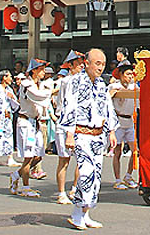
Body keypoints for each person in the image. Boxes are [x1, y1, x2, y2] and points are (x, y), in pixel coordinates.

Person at [60, 48, 118, 230]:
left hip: (98, 135)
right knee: (85, 174)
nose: (100, 68)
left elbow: (107, 108)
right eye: (97, 63)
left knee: (96, 176)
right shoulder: (74, 82)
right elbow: (69, 107)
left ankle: (86, 212)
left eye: (102, 63)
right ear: (87, 63)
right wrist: (69, 133)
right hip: (81, 133)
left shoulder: (101, 85)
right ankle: (76, 212)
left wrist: (111, 131)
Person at [9, 58, 51, 197]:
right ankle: (26, 187)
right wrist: (52, 90)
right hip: (26, 123)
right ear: (34, 70)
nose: (44, 73)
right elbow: (38, 97)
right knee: (28, 156)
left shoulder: (40, 84)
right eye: (41, 69)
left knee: (38, 156)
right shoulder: (27, 84)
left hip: (36, 123)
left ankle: (16, 174)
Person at [55, 50, 84, 205]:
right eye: (78, 63)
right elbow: (67, 105)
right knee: (64, 160)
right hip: (65, 123)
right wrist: (68, 131)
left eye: (82, 63)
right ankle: (61, 192)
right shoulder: (66, 81)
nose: (81, 65)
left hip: (79, 123)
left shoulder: (85, 81)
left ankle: (74, 188)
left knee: (81, 159)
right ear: (71, 65)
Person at [109, 60, 139, 190]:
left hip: (130, 122)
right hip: (118, 122)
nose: (130, 77)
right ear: (121, 75)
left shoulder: (134, 87)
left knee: (135, 151)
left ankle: (128, 175)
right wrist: (115, 91)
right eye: (127, 74)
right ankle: (117, 179)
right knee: (118, 151)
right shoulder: (113, 86)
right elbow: (107, 97)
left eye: (131, 74)